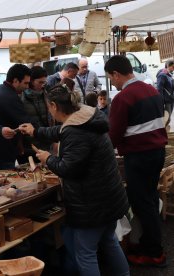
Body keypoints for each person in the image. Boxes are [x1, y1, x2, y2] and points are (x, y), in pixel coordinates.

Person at [19, 84, 129, 276]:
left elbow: (68, 169)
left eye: (48, 106)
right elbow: (61, 131)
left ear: (53, 105)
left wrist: (48, 158)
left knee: (85, 253)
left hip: (92, 204)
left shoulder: (75, 131)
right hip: (109, 197)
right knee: (109, 242)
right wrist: (35, 131)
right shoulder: (85, 116)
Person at [105, 55, 168, 267]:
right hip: (157, 152)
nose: (112, 82)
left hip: (139, 156)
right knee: (149, 200)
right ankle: (149, 243)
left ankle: (153, 252)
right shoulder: (151, 89)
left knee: (143, 204)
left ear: (116, 74)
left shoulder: (124, 97)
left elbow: (114, 134)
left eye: (111, 78)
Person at [0, 64, 35, 170]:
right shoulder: (10, 97)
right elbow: (27, 123)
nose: (27, 87)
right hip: (3, 150)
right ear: (16, 81)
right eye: (25, 83)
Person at [18, 66, 52, 164]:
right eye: (40, 82)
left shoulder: (46, 94)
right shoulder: (21, 97)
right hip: (28, 145)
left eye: (44, 82)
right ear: (31, 81)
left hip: (45, 141)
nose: (43, 85)